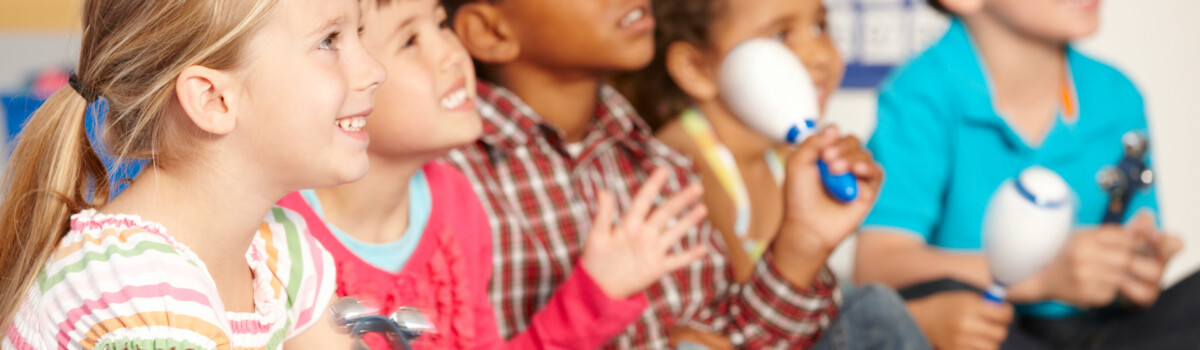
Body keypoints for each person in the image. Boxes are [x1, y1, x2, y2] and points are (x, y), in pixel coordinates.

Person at [441, 0, 877, 347]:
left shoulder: (665, 170)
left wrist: (801, 247)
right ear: (490, 31)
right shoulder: (447, 180)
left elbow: (731, 339)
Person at [277, 0, 707, 348]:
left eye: (440, 23)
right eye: (410, 40)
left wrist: (595, 294)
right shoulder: (282, 229)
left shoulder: (454, 200)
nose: (450, 53)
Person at [0, 0, 387, 347]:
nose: (375, 71)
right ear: (213, 100)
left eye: (359, 33)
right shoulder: (138, 296)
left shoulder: (280, 252)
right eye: (329, 41)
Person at [856, 0, 1200, 348]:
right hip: (993, 328)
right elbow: (876, 266)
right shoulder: (920, 91)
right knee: (936, 303)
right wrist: (1041, 276)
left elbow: (1136, 265)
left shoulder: (1117, 94)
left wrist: (1133, 275)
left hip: (1102, 330)